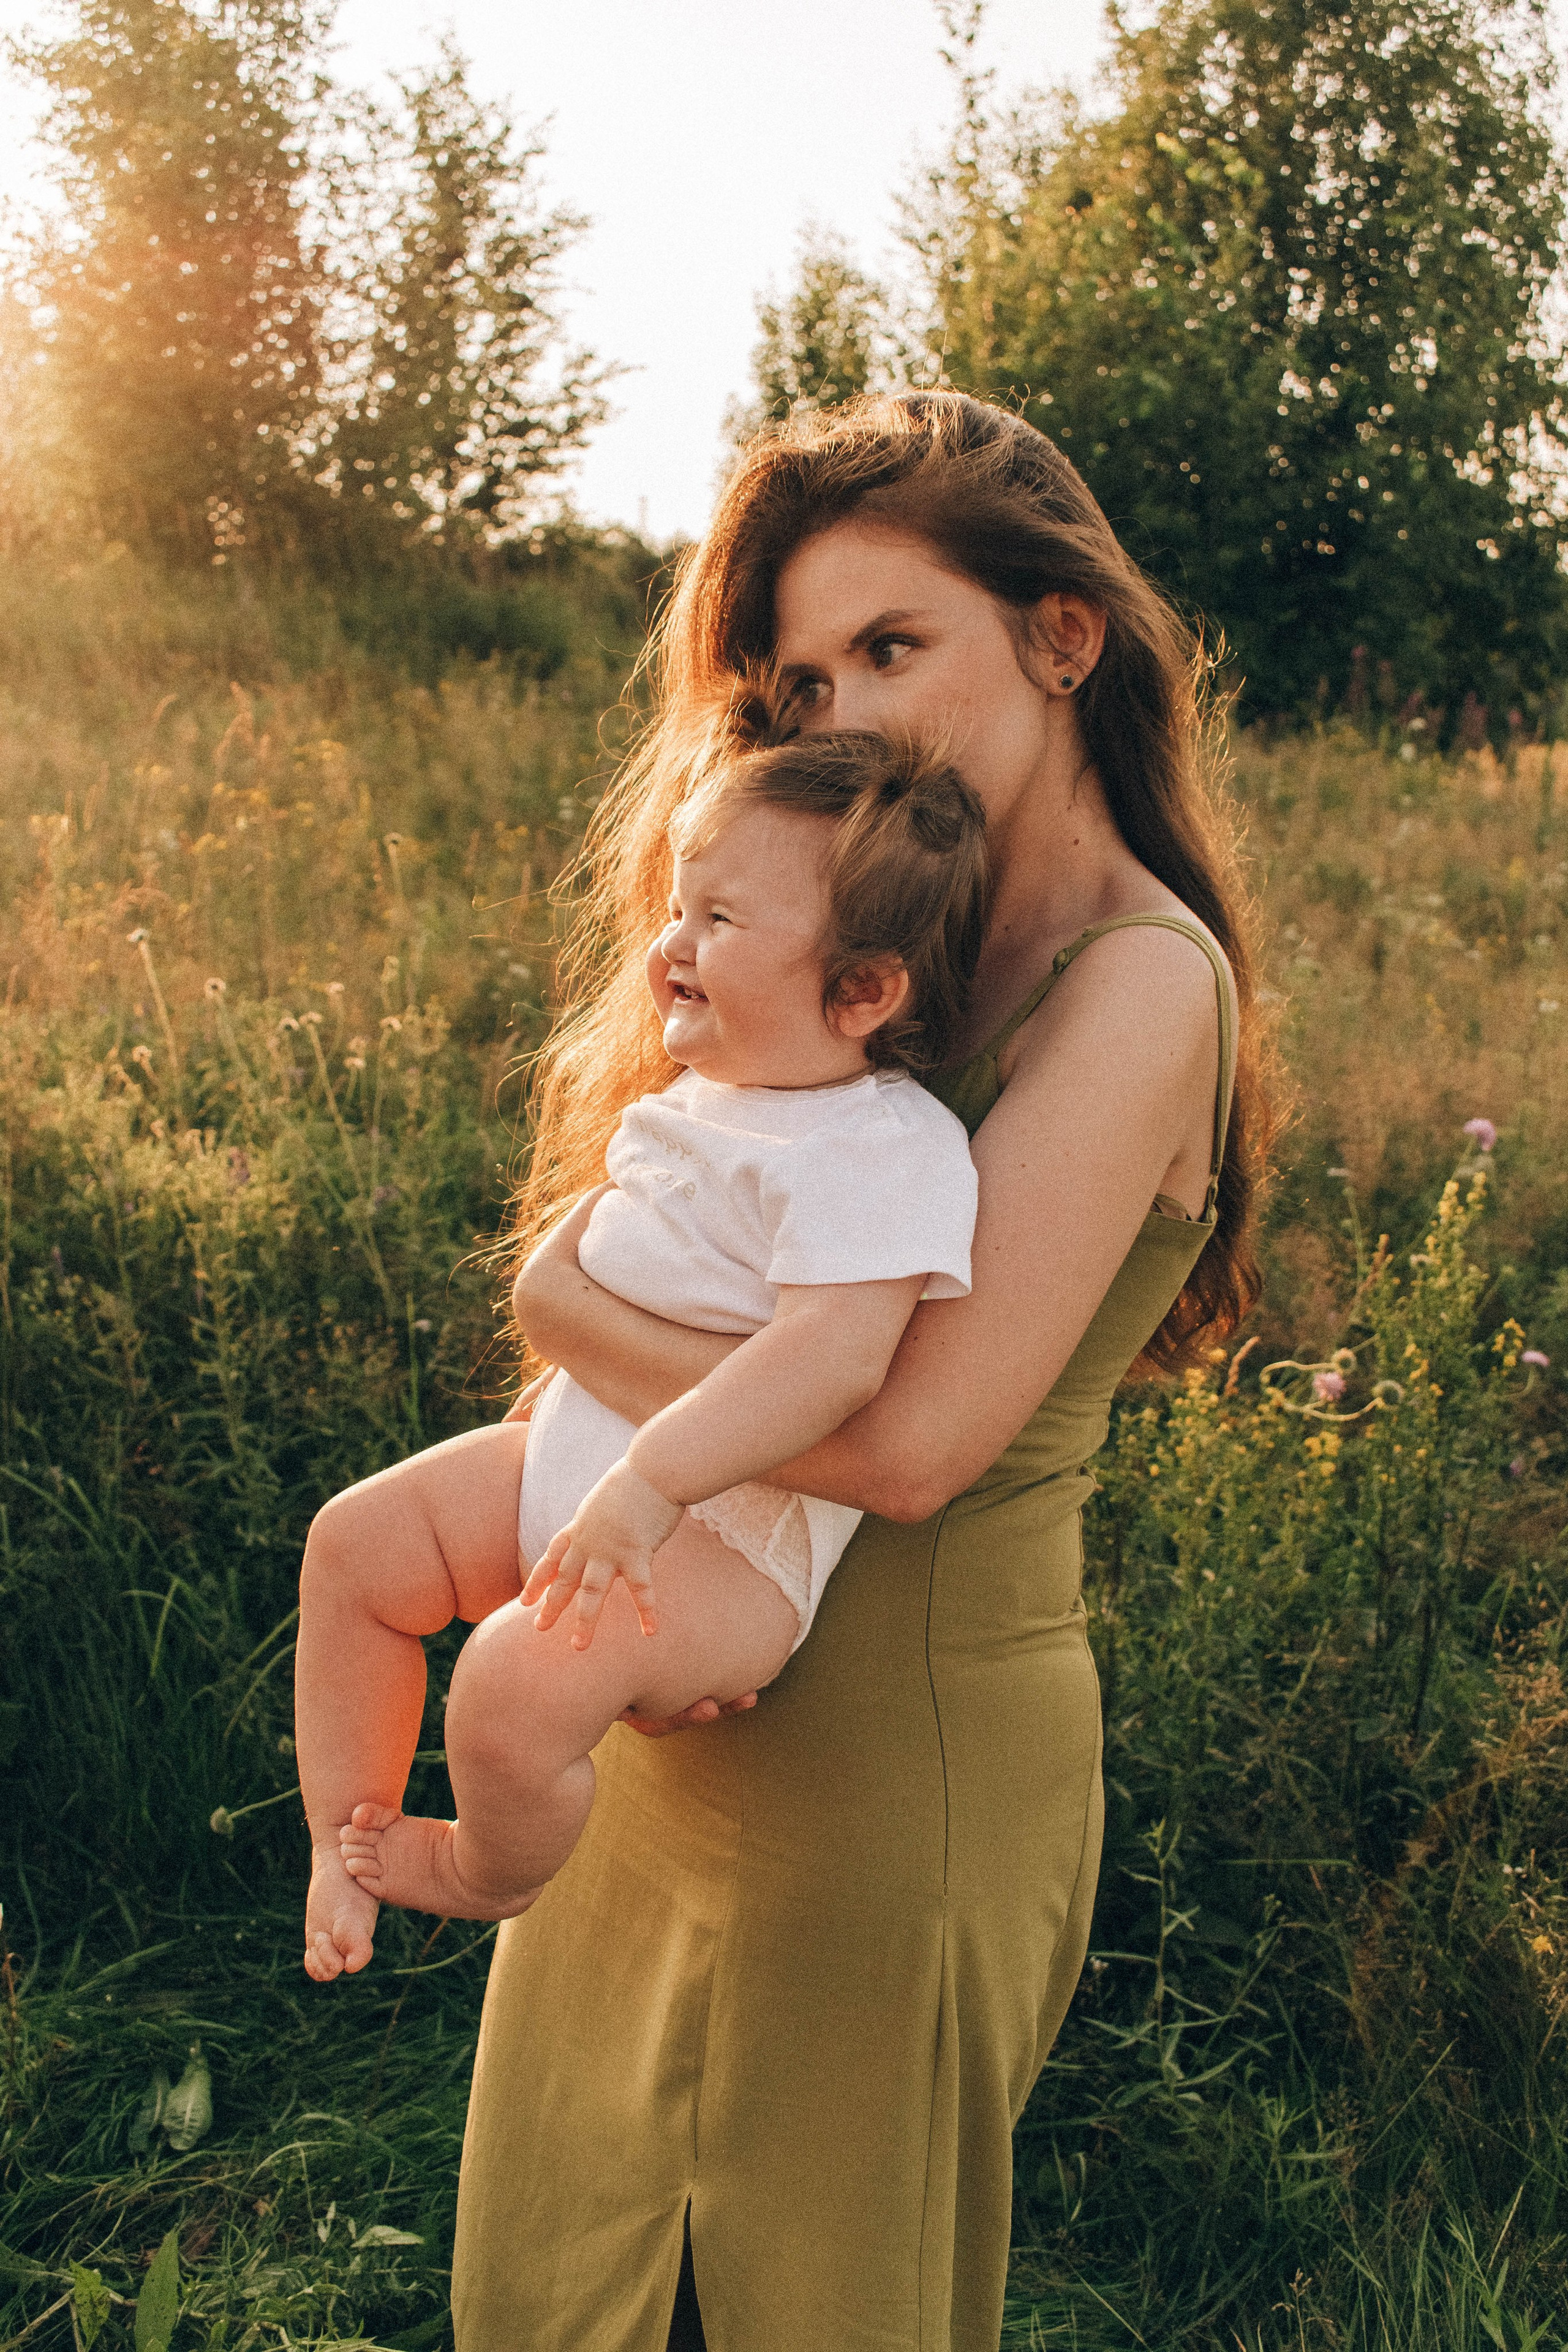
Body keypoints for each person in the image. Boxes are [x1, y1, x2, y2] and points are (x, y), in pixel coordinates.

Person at [453, 391, 1272, 2352]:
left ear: (1059, 638)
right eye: (805, 676)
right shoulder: (867, 928)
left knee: (819, 2302)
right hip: (683, 1665)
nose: (847, 718)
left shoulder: (1138, 982)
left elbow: (903, 1446)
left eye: (894, 648)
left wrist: (571, 1325)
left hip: (892, 1759)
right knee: (556, 2281)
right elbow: (713, 1255)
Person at [295, 728, 986, 1981]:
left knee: (510, 1685)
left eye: (717, 917)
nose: (670, 942)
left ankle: (480, 1870)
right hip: (579, 1471)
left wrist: (652, 1481)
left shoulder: (875, 1149)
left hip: (724, 1536)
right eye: (676, 904)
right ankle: (338, 1844)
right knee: (354, 1542)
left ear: (861, 991)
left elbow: (830, 1363)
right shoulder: (701, 1103)